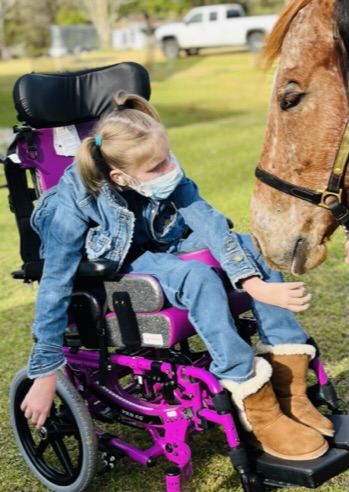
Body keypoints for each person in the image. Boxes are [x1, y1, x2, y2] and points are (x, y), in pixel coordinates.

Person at [21, 91, 333, 461]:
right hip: (121, 264)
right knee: (196, 277)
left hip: (164, 241)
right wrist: (45, 374)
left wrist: (253, 282)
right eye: (156, 168)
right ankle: (252, 400)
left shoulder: (157, 167)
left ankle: (289, 388)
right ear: (120, 176)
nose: (169, 170)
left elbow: (211, 225)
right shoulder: (69, 204)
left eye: (168, 157)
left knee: (255, 245)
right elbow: (55, 285)